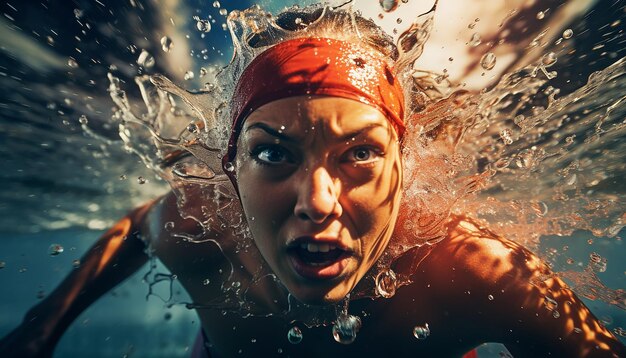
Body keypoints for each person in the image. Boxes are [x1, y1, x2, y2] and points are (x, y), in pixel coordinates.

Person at [1, 4, 625, 358]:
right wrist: (44, 325)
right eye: (273, 154)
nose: (317, 202)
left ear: (403, 167)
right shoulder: (201, 226)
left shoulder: (477, 272)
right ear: (231, 170)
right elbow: (139, 226)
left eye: (360, 155)